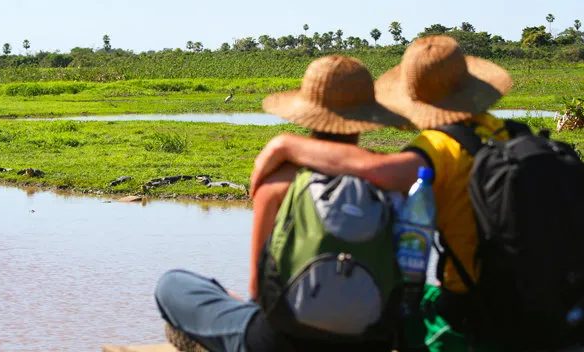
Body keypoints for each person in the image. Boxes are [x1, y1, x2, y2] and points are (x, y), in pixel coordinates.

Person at [250, 35, 514, 350]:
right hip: (521, 287)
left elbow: (379, 172)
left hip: (469, 304)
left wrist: (286, 144)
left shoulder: (438, 148)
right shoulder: (502, 132)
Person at [154, 55, 405, 352]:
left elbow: (257, 288)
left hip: (277, 343)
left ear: (306, 114)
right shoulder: (389, 181)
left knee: (171, 284)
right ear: (364, 120)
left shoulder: (277, 183)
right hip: (368, 340)